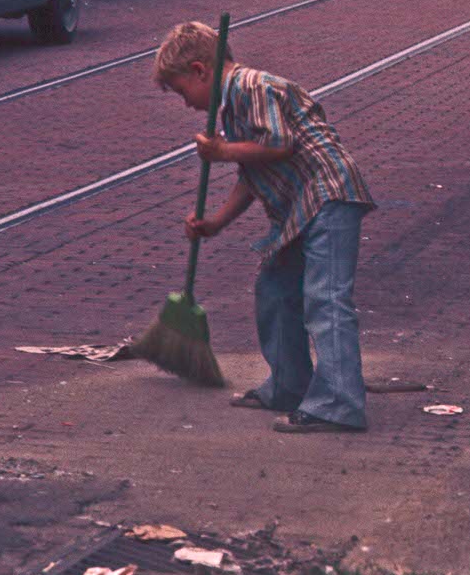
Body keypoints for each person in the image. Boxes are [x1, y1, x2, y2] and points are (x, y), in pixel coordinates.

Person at [154, 22, 376, 433]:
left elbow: (279, 144)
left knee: (325, 299)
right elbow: (254, 172)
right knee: (274, 288)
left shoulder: (251, 86)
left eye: (183, 91)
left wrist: (221, 150)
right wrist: (215, 221)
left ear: (201, 70)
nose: (186, 104)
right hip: (299, 209)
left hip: (328, 196)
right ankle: (290, 385)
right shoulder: (233, 106)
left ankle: (339, 403)